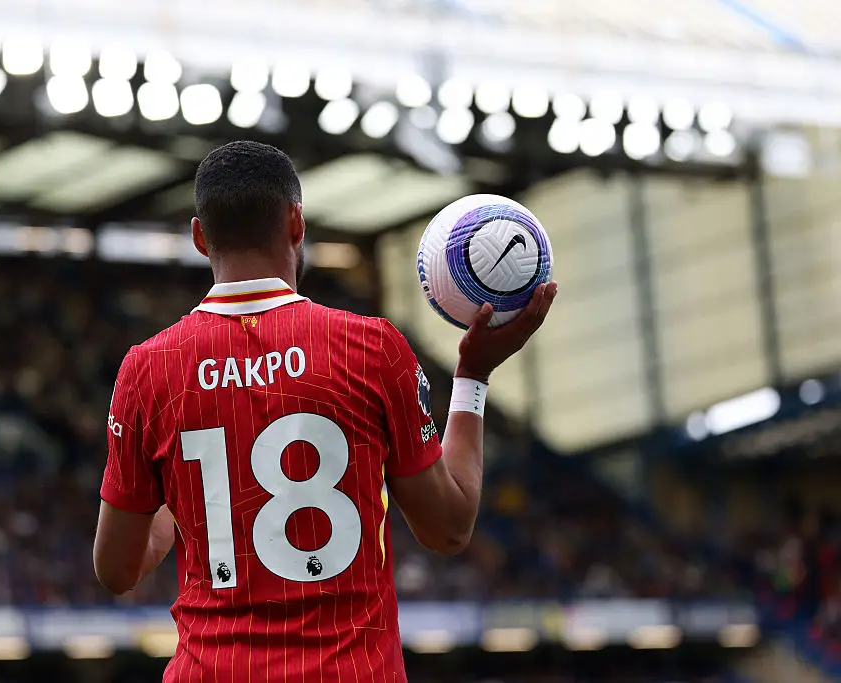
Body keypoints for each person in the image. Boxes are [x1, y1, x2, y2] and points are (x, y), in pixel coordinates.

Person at [92, 141, 557, 682]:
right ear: (296, 224)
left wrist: (193, 486)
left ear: (200, 237)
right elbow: (449, 528)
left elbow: (116, 570)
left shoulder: (149, 368)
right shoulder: (371, 348)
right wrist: (474, 375)